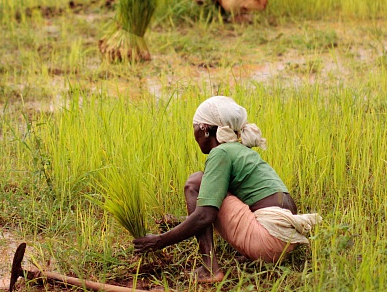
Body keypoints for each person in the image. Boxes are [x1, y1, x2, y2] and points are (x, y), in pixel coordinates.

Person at [133, 96, 320, 282]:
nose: (194, 134)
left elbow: (205, 215)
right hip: (287, 240)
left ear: (205, 129)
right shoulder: (240, 151)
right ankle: (253, 251)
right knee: (210, 191)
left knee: (196, 182)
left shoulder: (220, 152)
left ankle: (209, 268)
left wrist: (159, 241)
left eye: (195, 127)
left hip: (268, 239)